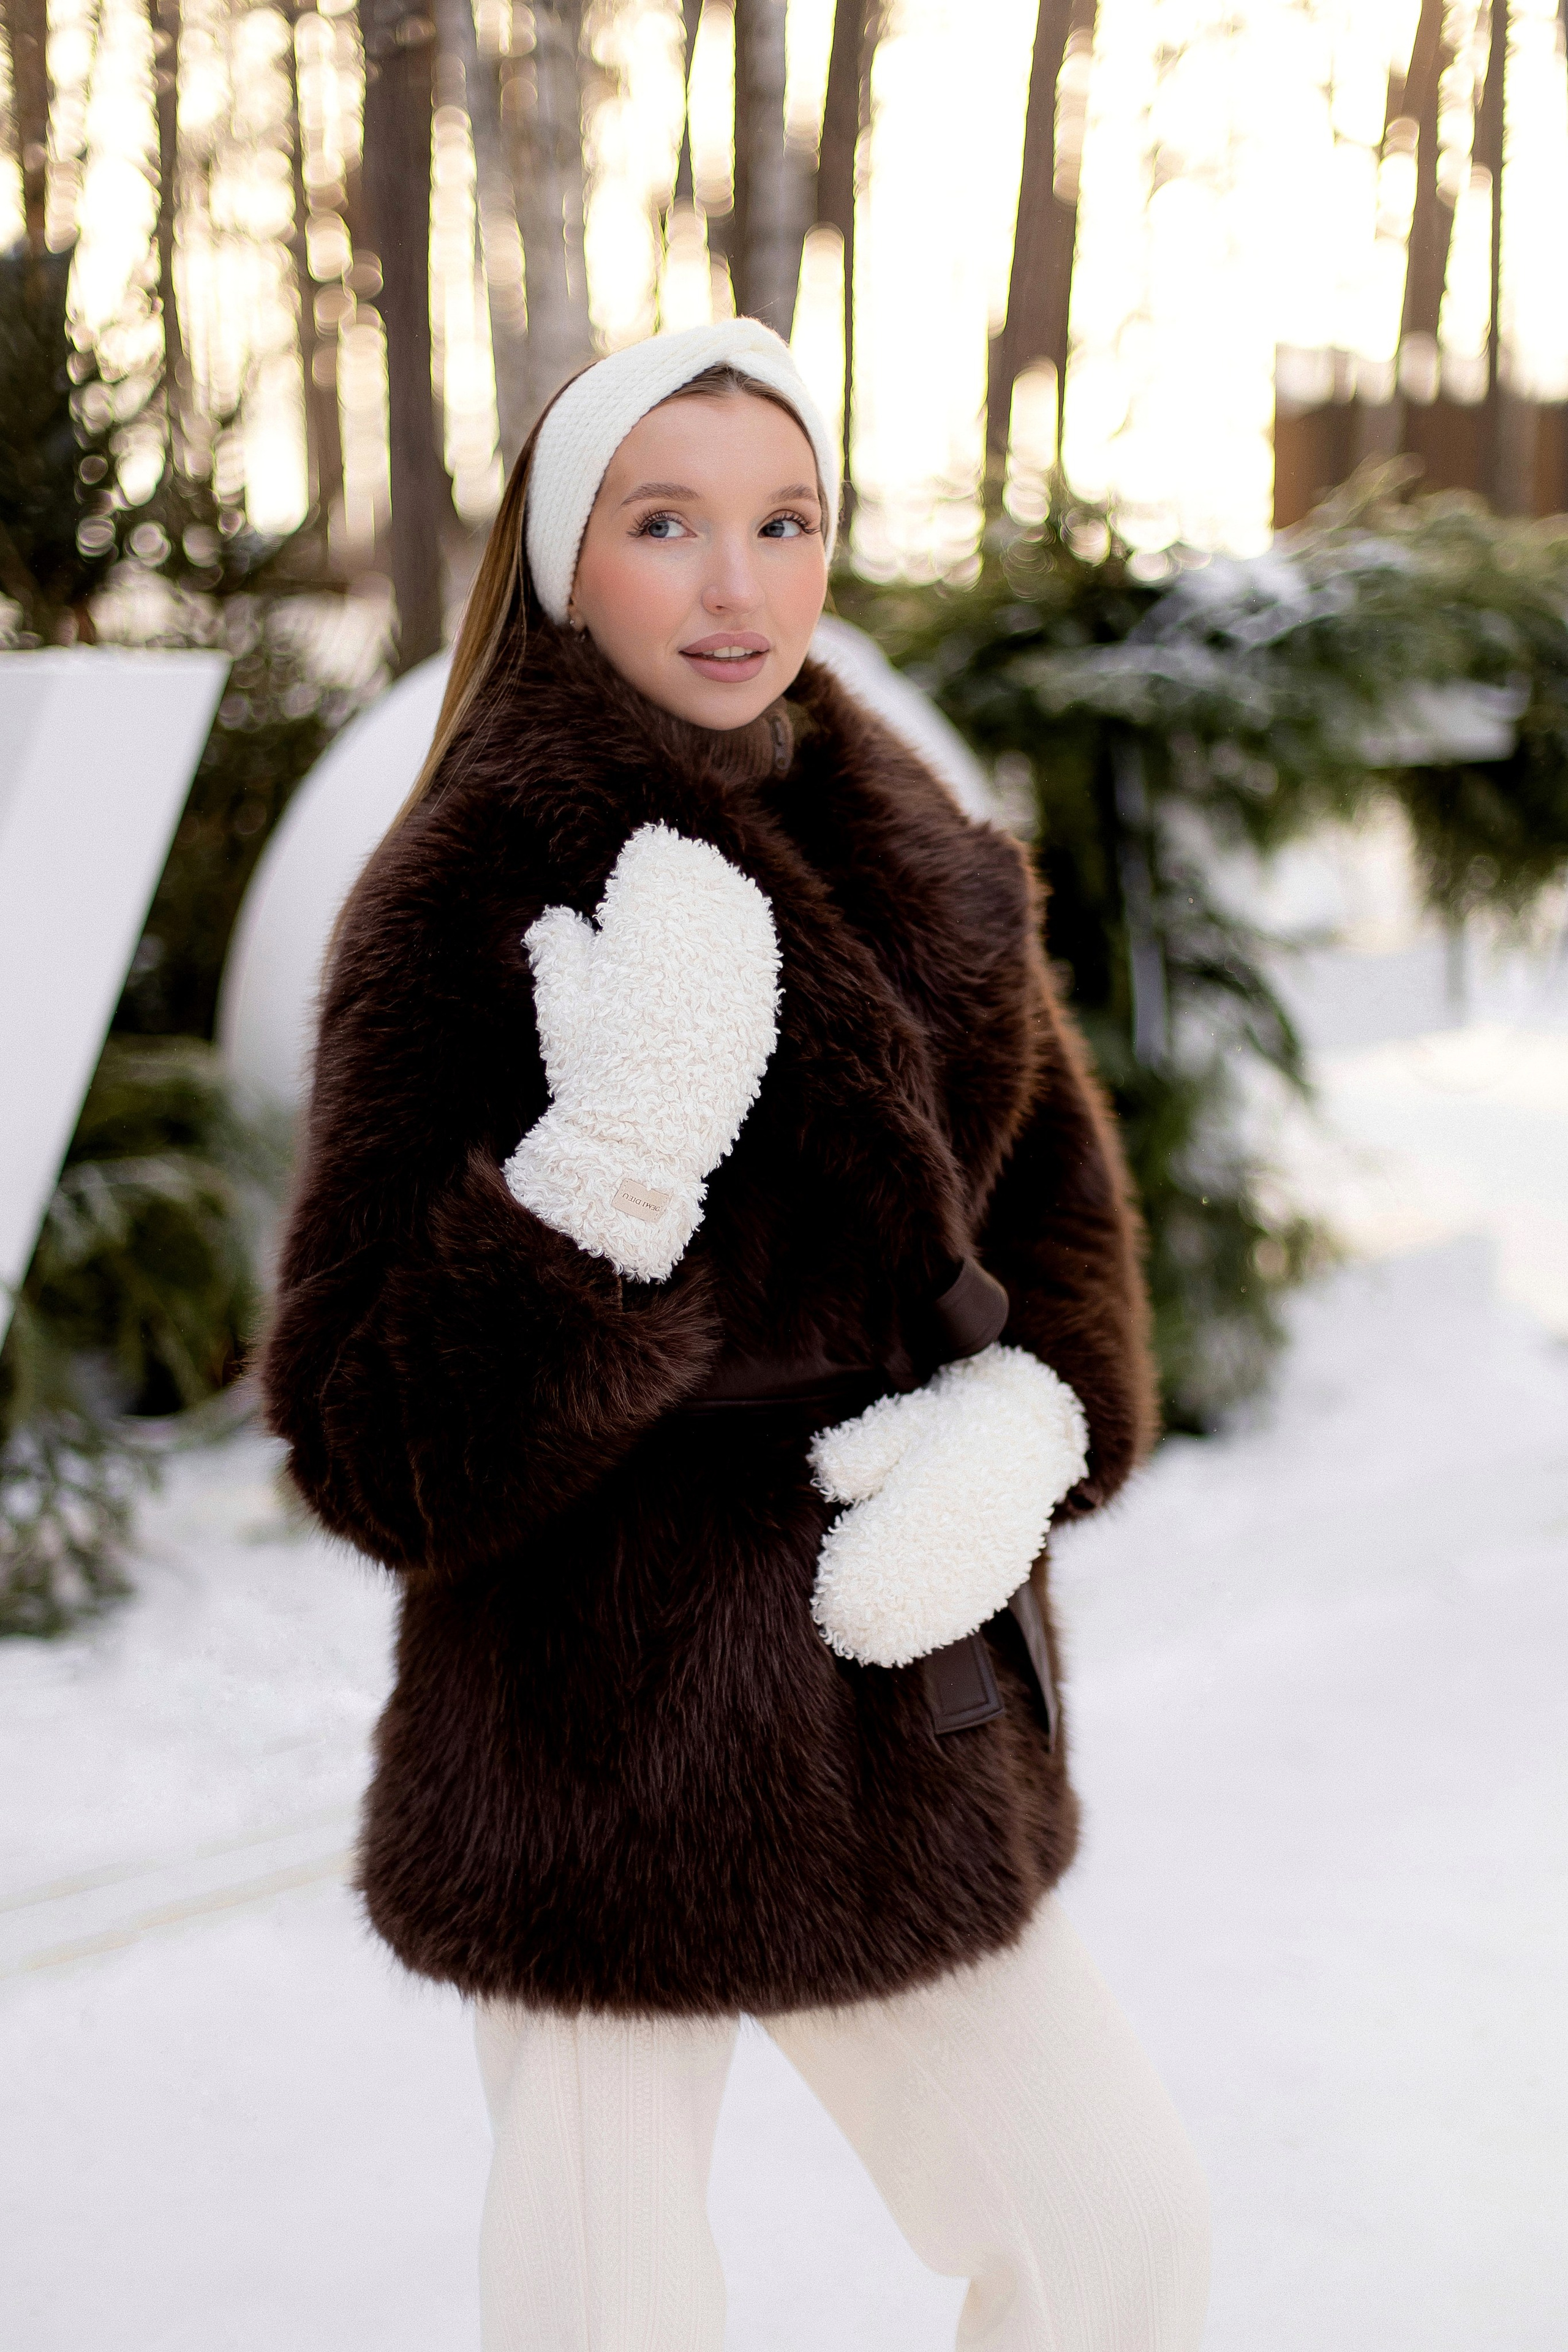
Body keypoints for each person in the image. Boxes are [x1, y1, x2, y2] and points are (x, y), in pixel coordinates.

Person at [263, 317, 1210, 2351]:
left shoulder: (914, 851)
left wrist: (1027, 1427)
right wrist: (601, 1179)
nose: (736, 585)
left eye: (785, 523)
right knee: (611, 2316)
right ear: (556, 558)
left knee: (1116, 2239)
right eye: (665, 523)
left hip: (898, 1695)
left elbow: (1060, 1229)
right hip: (593, 1735)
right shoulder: (454, 896)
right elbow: (366, 1439)